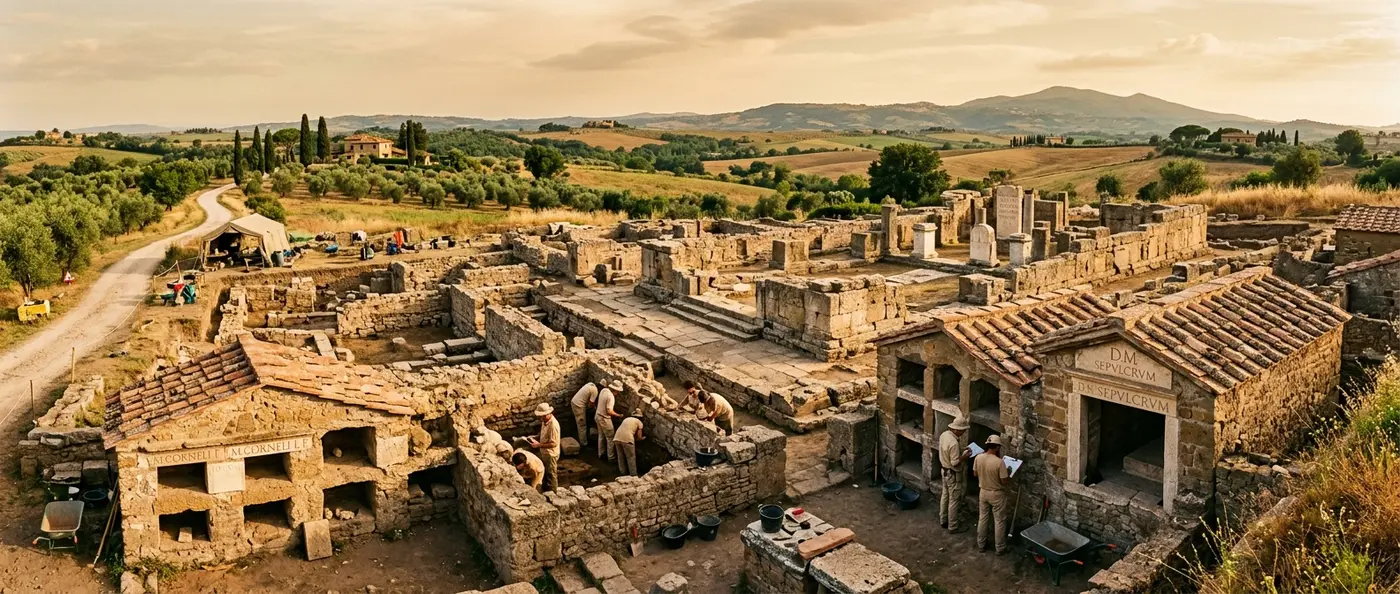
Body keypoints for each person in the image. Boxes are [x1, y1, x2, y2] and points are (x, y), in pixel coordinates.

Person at [972, 434, 1012, 554]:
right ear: (998, 447)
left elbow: (975, 474)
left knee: (983, 518)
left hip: (983, 491)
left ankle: (981, 544)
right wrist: (1008, 473)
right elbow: (1004, 481)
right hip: (996, 494)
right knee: (999, 521)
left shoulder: (978, 458)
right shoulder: (999, 462)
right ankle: (1000, 547)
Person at [939, 416, 973, 533]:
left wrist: (962, 449)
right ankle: (953, 526)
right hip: (953, 473)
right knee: (954, 499)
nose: (963, 433)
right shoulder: (954, 442)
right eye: (963, 430)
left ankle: (943, 519)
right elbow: (954, 462)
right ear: (957, 430)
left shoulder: (944, 435)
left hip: (944, 470)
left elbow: (948, 452)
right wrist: (964, 456)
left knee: (945, 495)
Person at [526, 404, 561, 492]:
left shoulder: (553, 425)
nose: (540, 419)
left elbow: (554, 443)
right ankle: (546, 491)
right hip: (544, 452)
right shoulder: (544, 421)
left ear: (547, 414)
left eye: (541, 416)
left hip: (551, 454)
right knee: (545, 473)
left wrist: (539, 445)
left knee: (551, 475)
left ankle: (553, 493)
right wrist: (535, 437)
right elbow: (543, 434)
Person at [595, 381, 624, 460]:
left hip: (597, 415)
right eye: (618, 392)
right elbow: (609, 411)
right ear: (616, 390)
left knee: (601, 436)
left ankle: (601, 454)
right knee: (610, 438)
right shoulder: (611, 397)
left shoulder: (604, 390)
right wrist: (618, 415)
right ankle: (611, 457)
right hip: (604, 418)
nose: (618, 394)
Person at [570, 382, 599, 449]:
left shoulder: (590, 384)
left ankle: (580, 437)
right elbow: (591, 404)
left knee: (580, 421)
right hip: (579, 406)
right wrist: (595, 408)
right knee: (582, 425)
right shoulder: (595, 391)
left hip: (574, 402)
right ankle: (584, 443)